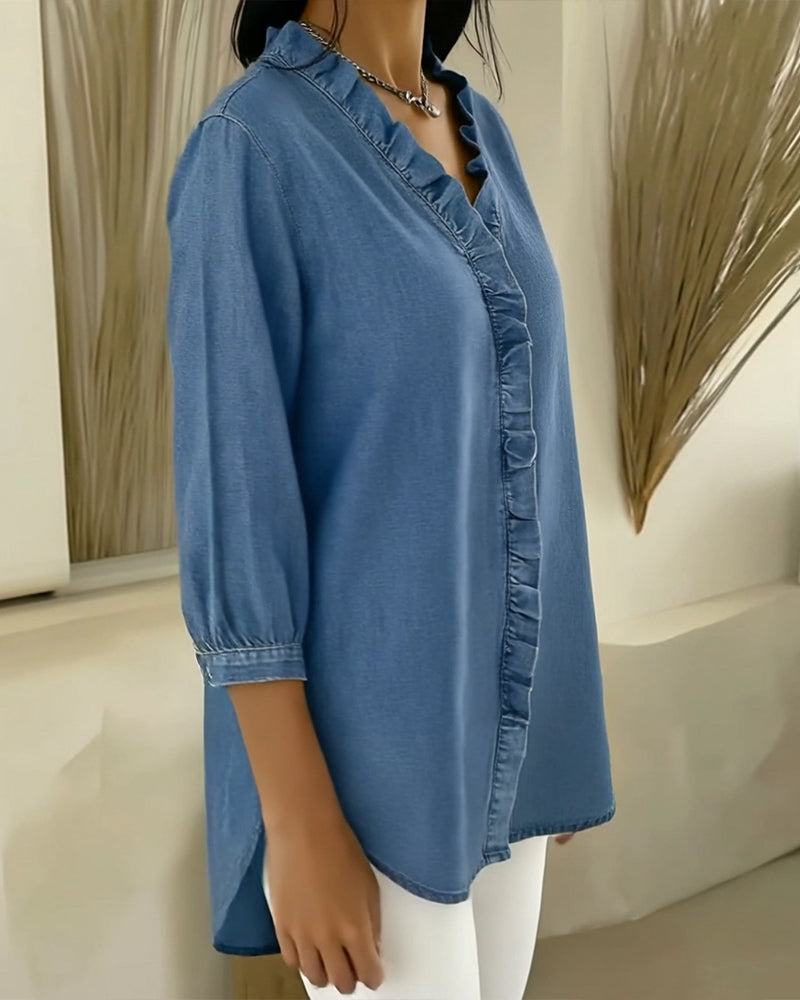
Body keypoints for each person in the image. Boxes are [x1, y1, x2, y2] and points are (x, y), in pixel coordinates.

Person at [166, 1, 616, 997]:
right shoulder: (249, 149)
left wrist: (550, 714)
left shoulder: (480, 129)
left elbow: (533, 446)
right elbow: (235, 510)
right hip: (365, 769)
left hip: (498, 730)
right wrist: (298, 824)